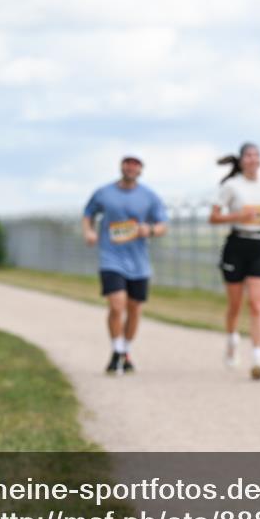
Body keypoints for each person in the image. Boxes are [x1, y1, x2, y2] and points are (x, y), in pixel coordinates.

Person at [83, 156, 168, 375]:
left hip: (139, 262)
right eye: (127, 163)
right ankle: (116, 350)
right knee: (116, 305)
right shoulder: (104, 193)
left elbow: (162, 225)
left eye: (135, 164)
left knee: (134, 309)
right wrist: (89, 231)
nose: (131, 167)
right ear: (121, 166)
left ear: (140, 169)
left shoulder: (149, 196)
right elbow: (88, 214)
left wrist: (148, 230)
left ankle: (126, 351)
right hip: (110, 257)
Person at [209, 143, 260, 380]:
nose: (253, 159)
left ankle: (258, 357)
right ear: (240, 160)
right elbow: (214, 217)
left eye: (256, 155)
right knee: (235, 304)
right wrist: (238, 215)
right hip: (236, 245)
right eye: (248, 155)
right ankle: (232, 340)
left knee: (258, 305)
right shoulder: (231, 186)